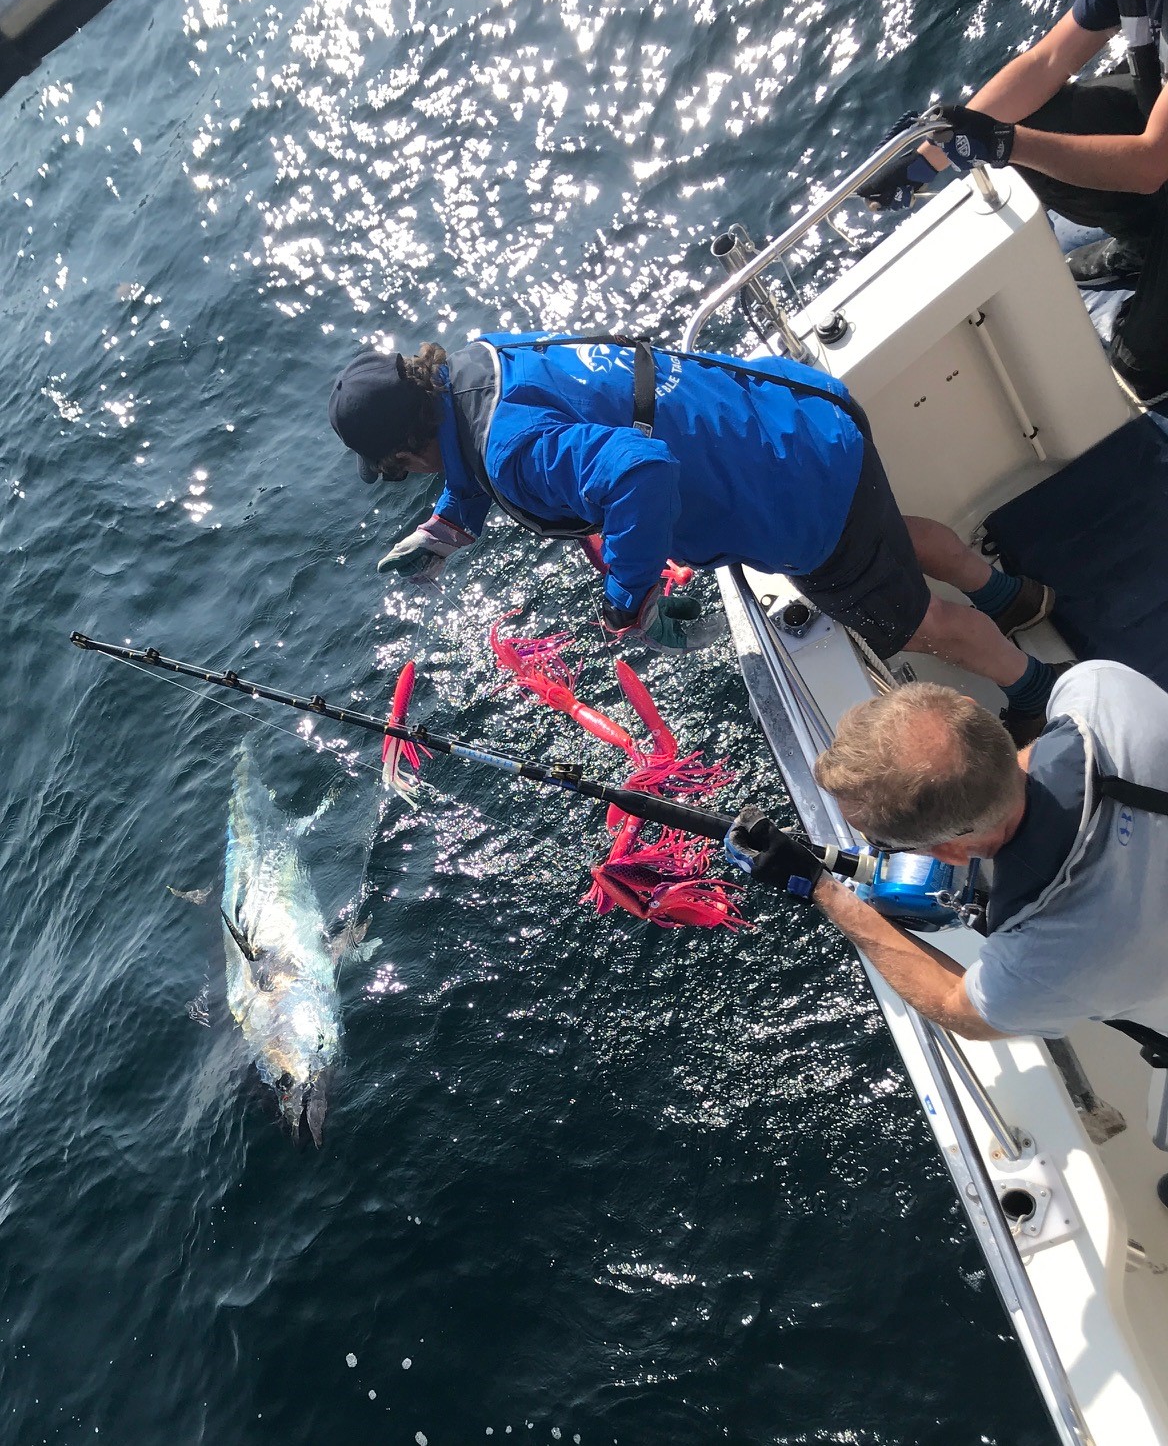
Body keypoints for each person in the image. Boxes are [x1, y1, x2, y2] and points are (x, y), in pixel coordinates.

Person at [327, 333, 1062, 741]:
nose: (406, 478)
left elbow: (639, 470)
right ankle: (1010, 593)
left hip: (792, 493)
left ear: (406, 449)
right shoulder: (479, 364)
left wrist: (630, 599)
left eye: (397, 473)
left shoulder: (511, 453)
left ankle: (1035, 688)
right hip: (797, 414)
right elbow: (498, 441)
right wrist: (450, 525)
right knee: (886, 536)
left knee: (914, 621)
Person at [725, 661, 1168, 1043]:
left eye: (881, 844)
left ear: (954, 850)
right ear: (973, 709)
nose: (872, 848)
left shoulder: (1044, 959)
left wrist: (821, 887)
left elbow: (956, 1006)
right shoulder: (1098, 689)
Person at [859, 0, 1168, 404]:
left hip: (1158, 163)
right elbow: (1047, 63)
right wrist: (931, 154)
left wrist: (1001, 144)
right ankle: (1145, 244)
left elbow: (1152, 164)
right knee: (1035, 111)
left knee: (1143, 372)